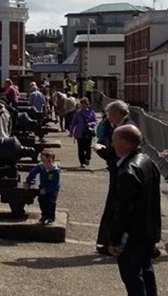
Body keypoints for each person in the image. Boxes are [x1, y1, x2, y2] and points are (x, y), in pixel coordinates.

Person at [108, 125, 161, 296]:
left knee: (133, 279)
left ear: (124, 143)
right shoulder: (147, 161)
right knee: (146, 273)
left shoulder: (127, 172)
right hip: (147, 232)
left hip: (131, 238)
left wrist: (117, 241)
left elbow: (124, 211)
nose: (111, 143)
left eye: (114, 140)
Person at [92, 100, 135, 256]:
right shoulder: (123, 126)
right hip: (119, 171)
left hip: (122, 173)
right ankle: (108, 242)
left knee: (117, 209)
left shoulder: (126, 128)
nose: (108, 118)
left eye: (110, 114)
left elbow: (118, 152)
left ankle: (114, 243)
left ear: (117, 113)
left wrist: (100, 150)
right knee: (113, 208)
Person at [24, 150, 61, 224]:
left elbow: (56, 184)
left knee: (51, 202)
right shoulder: (40, 167)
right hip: (43, 187)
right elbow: (33, 173)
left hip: (52, 189)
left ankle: (50, 217)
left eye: (49, 161)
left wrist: (47, 189)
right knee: (42, 200)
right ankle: (44, 215)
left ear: (53, 161)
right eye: (44, 160)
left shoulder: (55, 171)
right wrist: (28, 182)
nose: (46, 163)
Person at [68, 97, 97, 168]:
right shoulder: (78, 113)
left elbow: (95, 121)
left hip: (88, 132)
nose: (83, 106)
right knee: (81, 148)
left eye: (84, 104)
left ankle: (88, 158)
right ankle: (82, 162)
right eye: (81, 104)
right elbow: (74, 123)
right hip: (79, 133)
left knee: (88, 147)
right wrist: (71, 132)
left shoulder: (91, 112)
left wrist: (91, 123)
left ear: (87, 104)